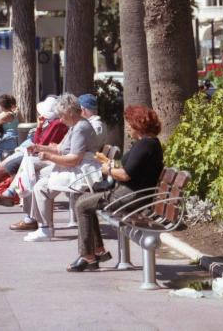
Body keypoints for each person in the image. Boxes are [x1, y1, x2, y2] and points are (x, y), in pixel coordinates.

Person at [67, 105, 163, 272]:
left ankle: (88, 256)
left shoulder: (145, 145)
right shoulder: (148, 143)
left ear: (138, 124)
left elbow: (126, 175)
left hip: (130, 196)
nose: (127, 128)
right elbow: (132, 169)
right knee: (83, 200)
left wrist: (108, 170)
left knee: (82, 204)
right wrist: (111, 166)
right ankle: (96, 251)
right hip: (132, 194)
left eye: (129, 124)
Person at [20, 93, 100, 242]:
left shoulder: (80, 128)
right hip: (77, 168)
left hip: (81, 172)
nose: (60, 120)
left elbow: (74, 159)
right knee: (39, 180)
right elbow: (60, 149)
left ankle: (45, 229)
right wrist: (38, 147)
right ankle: (42, 225)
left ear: (70, 112)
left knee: (41, 187)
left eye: (62, 116)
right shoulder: (75, 125)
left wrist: (48, 156)